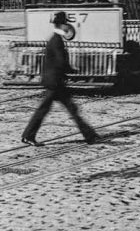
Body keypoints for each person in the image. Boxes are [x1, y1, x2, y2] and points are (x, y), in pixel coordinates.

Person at [21, 12, 98, 147]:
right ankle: (28, 135)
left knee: (69, 108)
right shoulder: (56, 41)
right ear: (62, 24)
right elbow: (60, 61)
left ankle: (90, 135)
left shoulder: (55, 38)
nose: (67, 26)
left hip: (55, 81)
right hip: (54, 82)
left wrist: (69, 70)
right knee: (51, 109)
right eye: (65, 23)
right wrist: (71, 70)